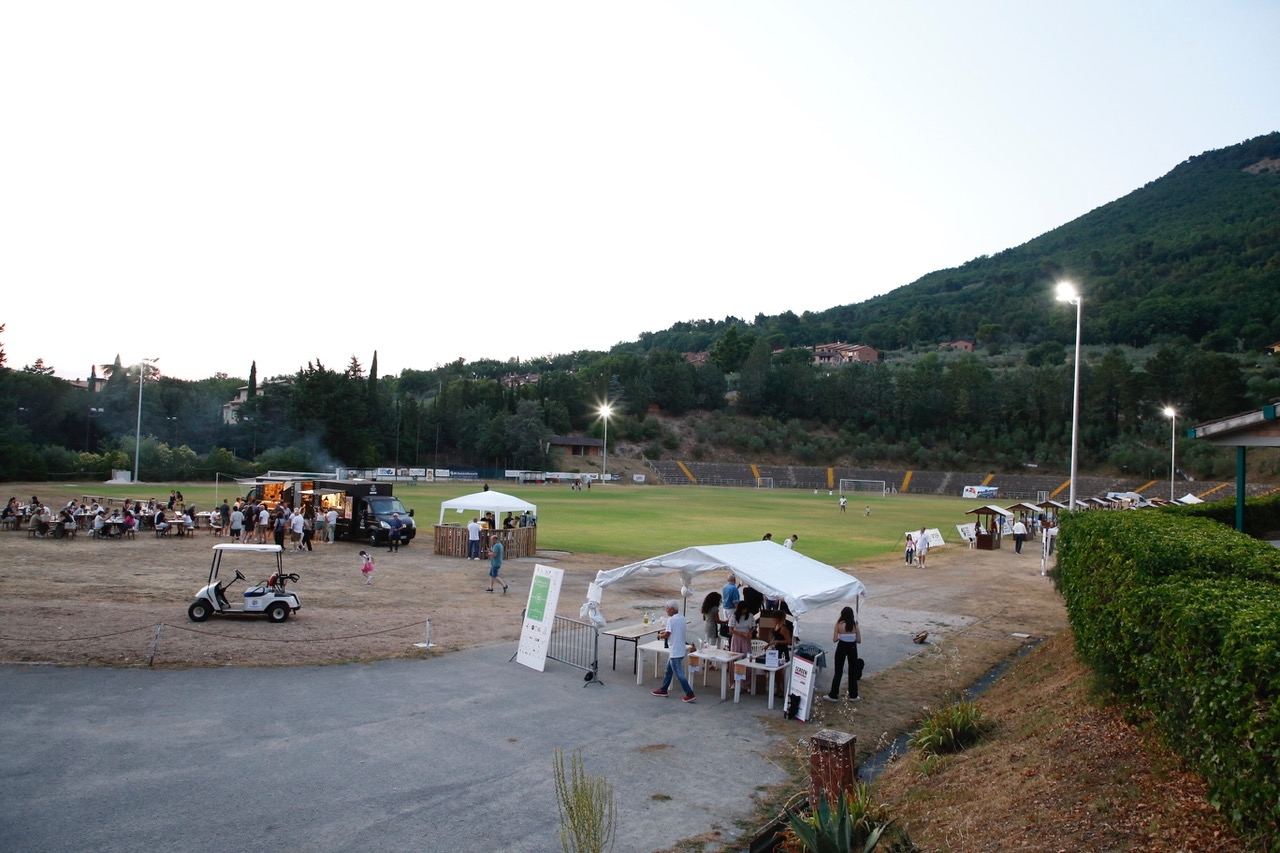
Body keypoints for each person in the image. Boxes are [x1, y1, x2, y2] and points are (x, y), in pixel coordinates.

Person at [651, 600, 696, 703]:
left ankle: (689, 693)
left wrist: (660, 635)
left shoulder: (671, 620)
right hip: (679, 649)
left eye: (667, 609)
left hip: (675, 650)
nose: (666, 611)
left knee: (679, 674)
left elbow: (667, 634)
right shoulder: (682, 618)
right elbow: (674, 631)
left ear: (672, 609)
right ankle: (663, 689)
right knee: (668, 670)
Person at [824, 605, 862, 702]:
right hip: (852, 647)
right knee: (852, 671)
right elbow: (859, 640)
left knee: (838, 671)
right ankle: (853, 695)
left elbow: (834, 639)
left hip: (842, 647)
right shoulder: (854, 625)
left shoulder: (839, 624)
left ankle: (834, 694)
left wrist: (842, 637)